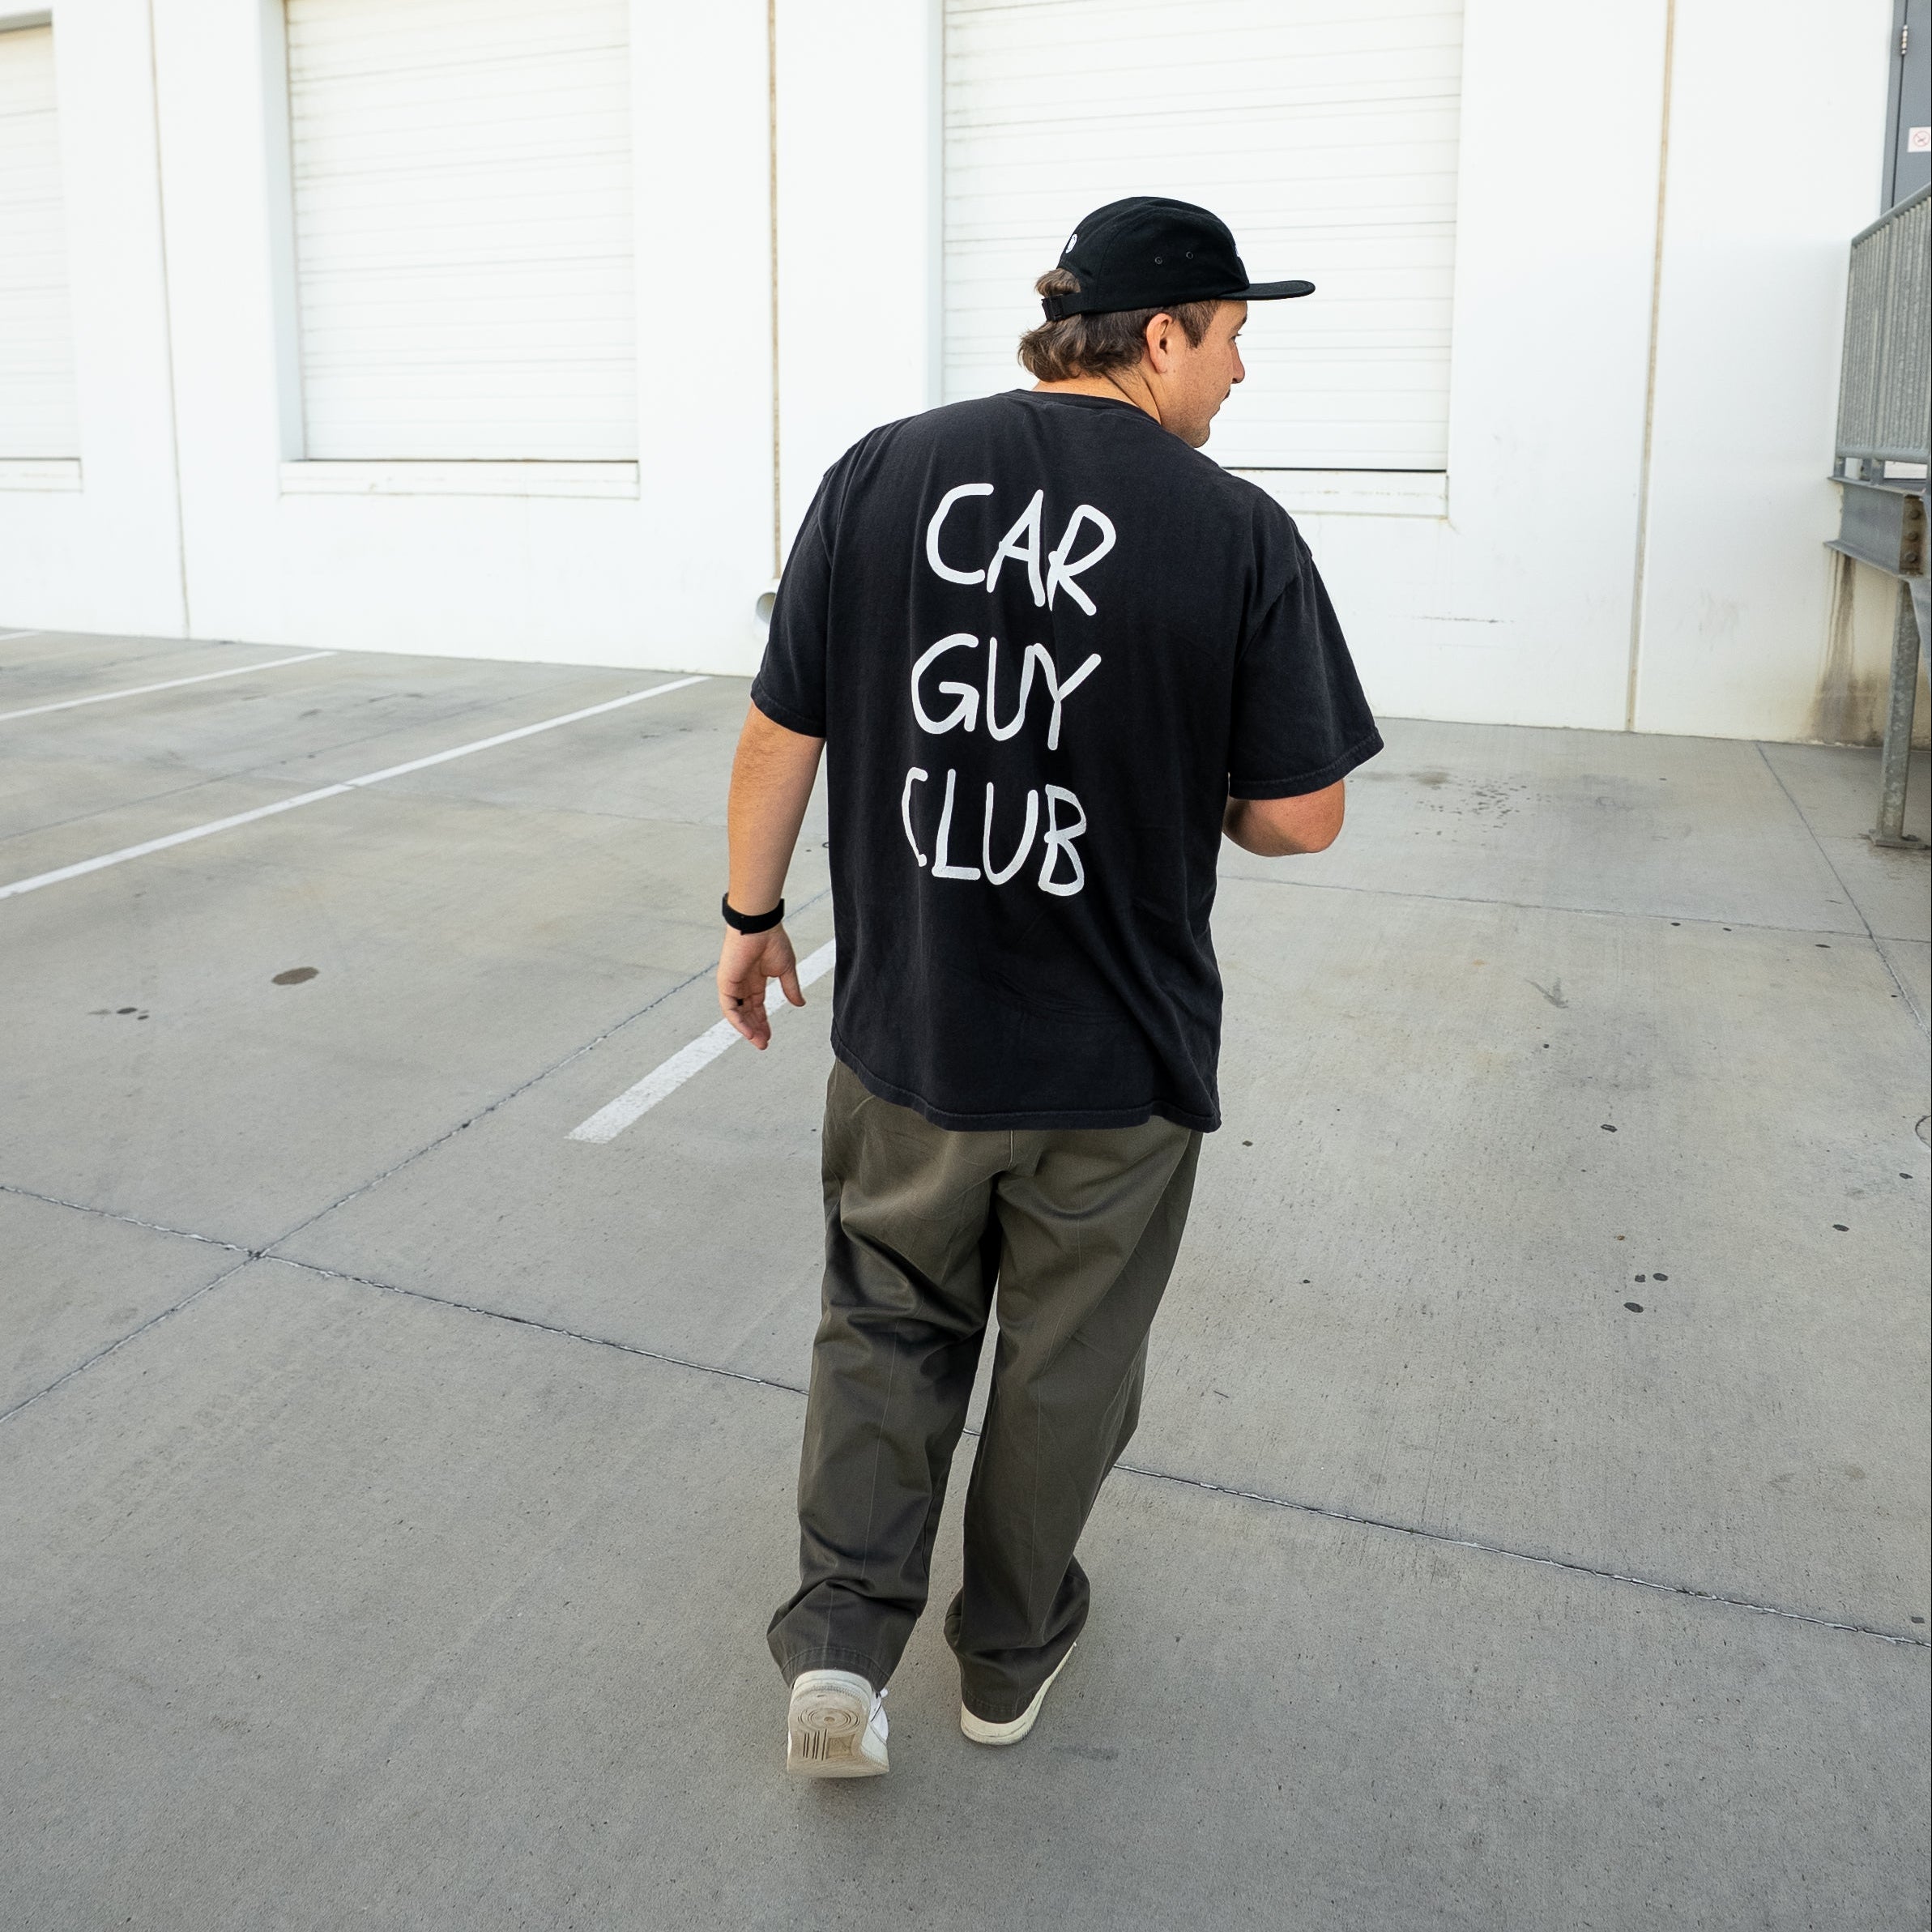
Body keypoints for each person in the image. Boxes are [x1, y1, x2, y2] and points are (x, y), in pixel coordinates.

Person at [716, 196, 1382, 1779]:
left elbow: (776, 730)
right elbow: (1300, 810)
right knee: (1063, 1367)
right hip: (1119, 1061)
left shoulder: (881, 472)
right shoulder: (1232, 531)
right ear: (1159, 336)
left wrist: (751, 914)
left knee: (885, 1326)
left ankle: (839, 1643)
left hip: (911, 1035)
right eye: (1228, 340)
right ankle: (1004, 1657)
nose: (1236, 379)